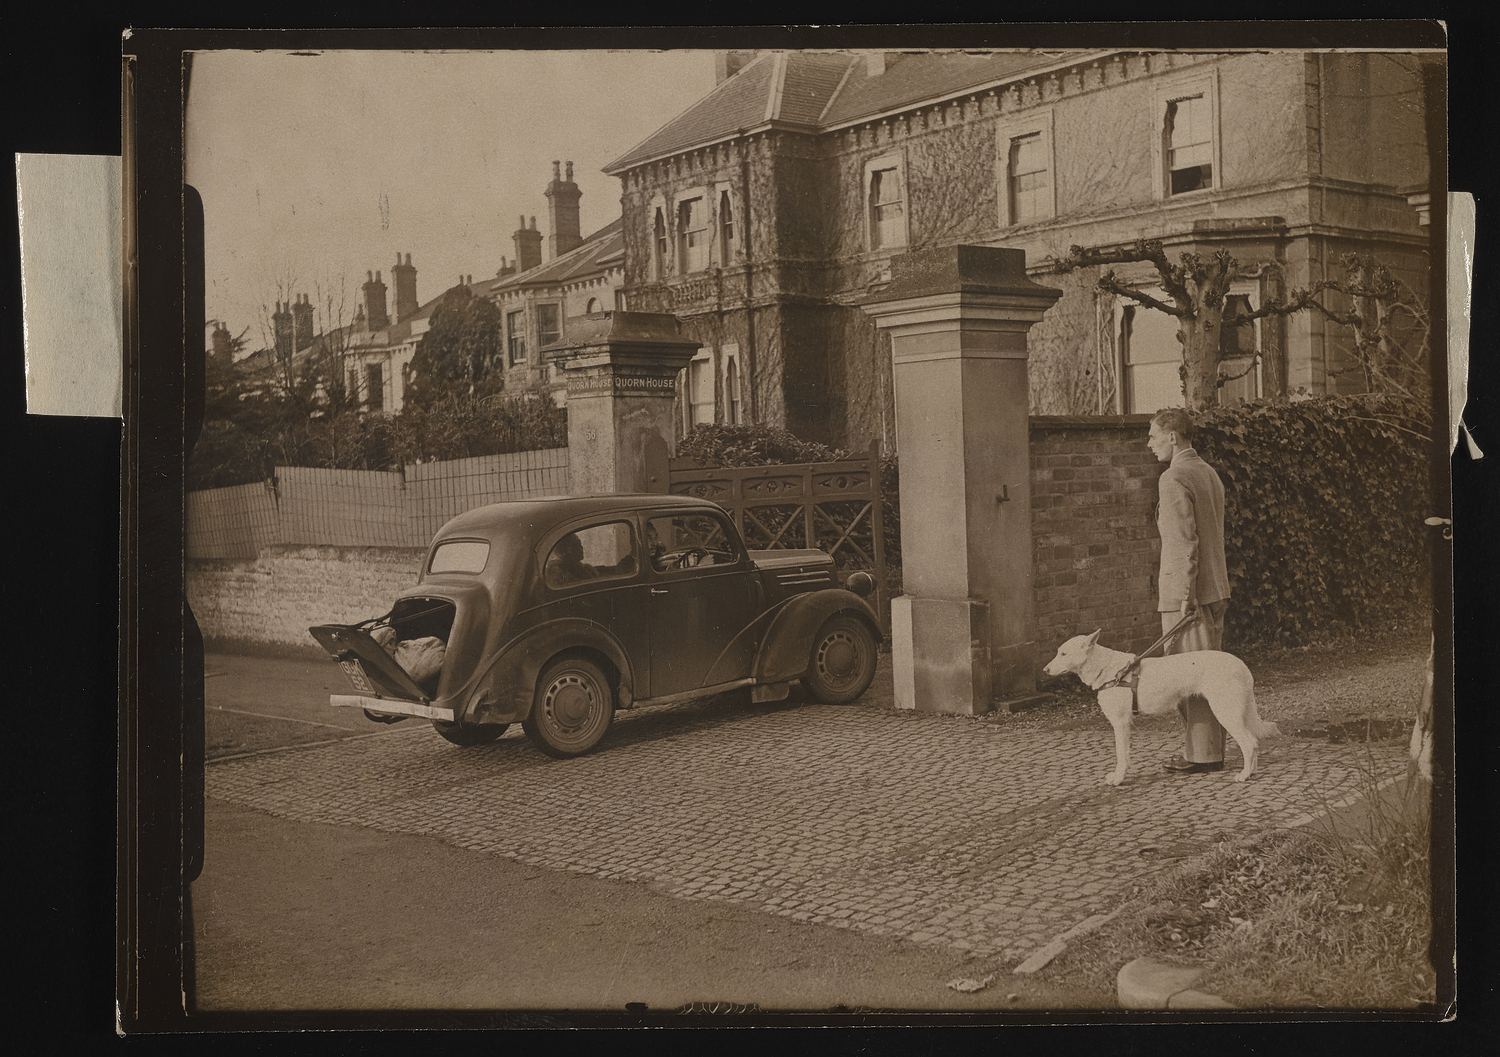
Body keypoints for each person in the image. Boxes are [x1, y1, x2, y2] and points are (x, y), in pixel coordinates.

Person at [1147, 408, 1230, 775]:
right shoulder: (1208, 472)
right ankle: (1206, 753)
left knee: (1191, 677)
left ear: (1173, 437)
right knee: (1207, 674)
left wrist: (1183, 597)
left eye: (1152, 436)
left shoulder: (1173, 477)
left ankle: (1203, 757)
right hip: (1215, 588)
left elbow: (1184, 543)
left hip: (1189, 595)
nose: (1148, 444)